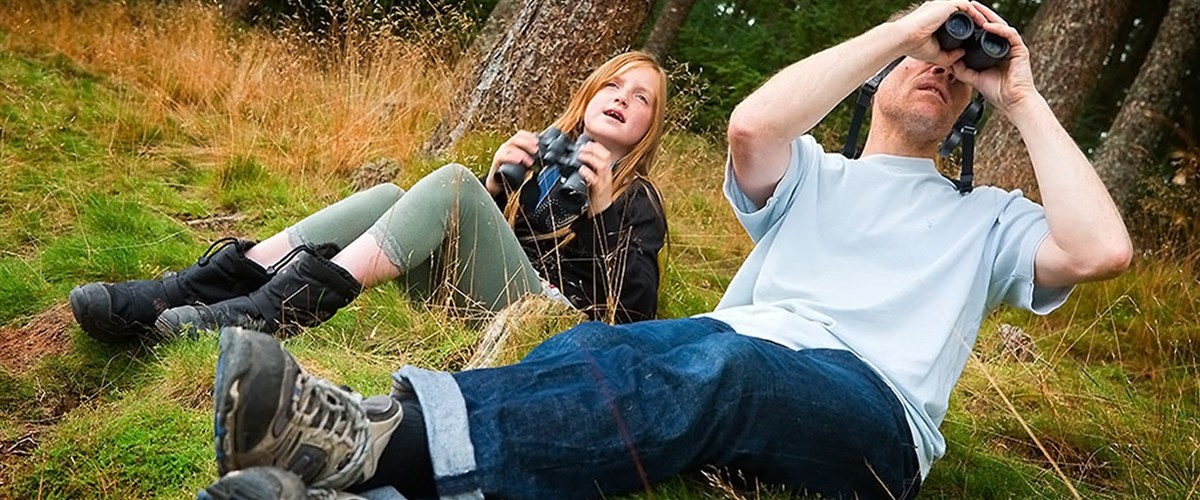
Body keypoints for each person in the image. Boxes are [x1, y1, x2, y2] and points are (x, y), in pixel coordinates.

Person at [194, 1, 1133, 499]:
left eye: (955, 76)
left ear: (970, 110)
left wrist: (1018, 93)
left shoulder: (991, 218)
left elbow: (1101, 251)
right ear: (876, 77)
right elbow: (753, 126)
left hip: (868, 414)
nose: (941, 71)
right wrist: (902, 28)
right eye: (921, 62)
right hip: (725, 360)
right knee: (599, 352)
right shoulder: (811, 173)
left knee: (719, 360)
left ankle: (372, 436)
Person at [68, 51, 669, 343]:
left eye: (640, 97)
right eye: (613, 83)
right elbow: (504, 257)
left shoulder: (639, 199)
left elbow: (632, 320)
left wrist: (603, 210)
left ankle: (273, 312)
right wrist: (497, 188)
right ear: (589, 93)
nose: (622, 97)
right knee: (388, 191)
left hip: (550, 334)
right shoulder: (546, 155)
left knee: (451, 183)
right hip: (481, 307)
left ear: (649, 127)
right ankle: (208, 287)